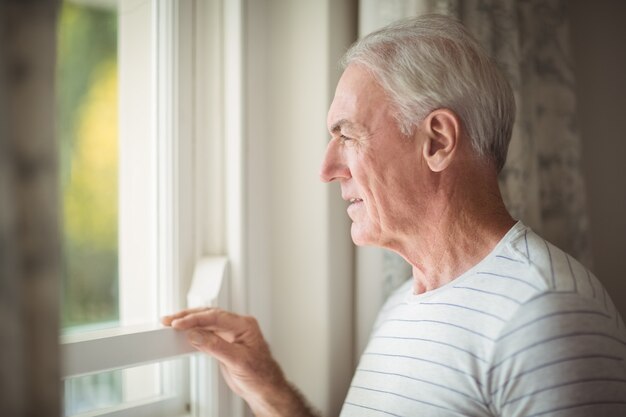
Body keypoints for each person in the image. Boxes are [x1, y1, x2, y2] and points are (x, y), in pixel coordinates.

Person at [162, 14, 626, 417]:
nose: (326, 170)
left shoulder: (546, 314)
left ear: (438, 141)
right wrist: (266, 387)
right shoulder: (401, 304)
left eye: (348, 136)